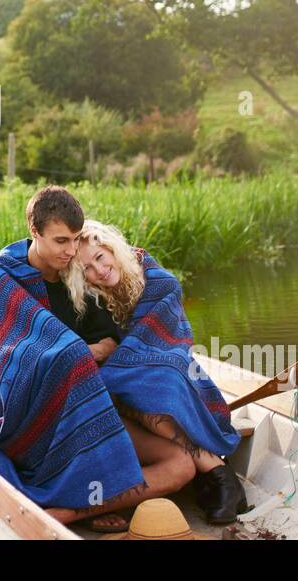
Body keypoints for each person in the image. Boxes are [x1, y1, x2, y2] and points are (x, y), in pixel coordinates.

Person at [0, 186, 202, 533]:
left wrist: (79, 357)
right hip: (36, 412)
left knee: (182, 465)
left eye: (76, 239)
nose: (71, 250)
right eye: (61, 241)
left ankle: (70, 511)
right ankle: (88, 497)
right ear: (34, 231)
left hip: (96, 403)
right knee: (71, 356)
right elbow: (17, 354)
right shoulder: (2, 275)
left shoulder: (77, 272)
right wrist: (78, 356)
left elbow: (110, 339)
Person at [65, 218, 251, 524]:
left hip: (173, 364)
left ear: (111, 249)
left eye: (100, 257)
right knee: (118, 384)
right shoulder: (95, 299)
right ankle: (218, 472)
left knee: (155, 383)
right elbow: (115, 346)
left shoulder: (157, 282)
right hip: (141, 373)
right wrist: (107, 351)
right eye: (87, 268)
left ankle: (218, 478)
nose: (98, 270)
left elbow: (157, 340)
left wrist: (117, 354)